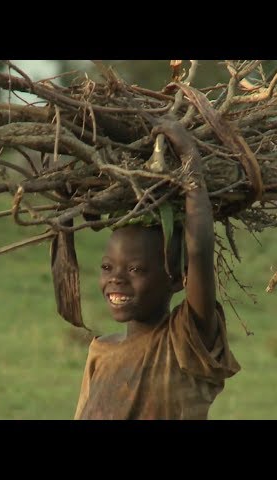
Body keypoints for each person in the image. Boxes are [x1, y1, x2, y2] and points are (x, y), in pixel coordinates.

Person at [74, 116, 241, 420]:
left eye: (136, 270)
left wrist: (190, 159)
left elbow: (199, 250)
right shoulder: (101, 352)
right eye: (108, 267)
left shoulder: (183, 343)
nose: (116, 279)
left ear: (177, 278)